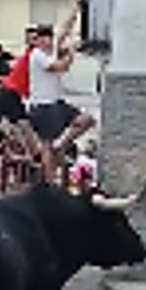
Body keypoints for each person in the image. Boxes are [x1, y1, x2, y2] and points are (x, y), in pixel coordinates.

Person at [27, 23, 95, 183]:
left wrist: (77, 8)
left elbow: (63, 31)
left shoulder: (51, 52)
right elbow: (60, 67)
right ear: (37, 41)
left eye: (48, 38)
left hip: (57, 103)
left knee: (87, 120)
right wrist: (71, 53)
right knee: (46, 145)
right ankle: (50, 182)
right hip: (43, 105)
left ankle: (62, 146)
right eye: (42, 39)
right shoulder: (37, 55)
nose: (47, 42)